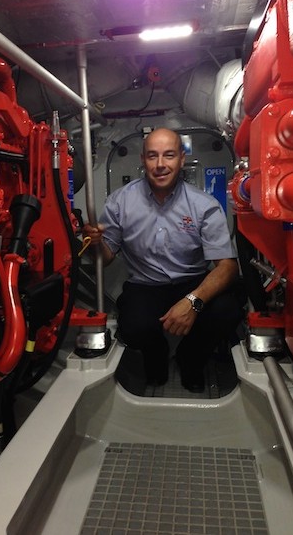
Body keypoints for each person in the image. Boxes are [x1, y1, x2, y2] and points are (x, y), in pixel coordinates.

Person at [83, 128, 243, 392]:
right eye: (152, 156)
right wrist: (94, 244)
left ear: (182, 159)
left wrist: (192, 301)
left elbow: (227, 267)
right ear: (143, 160)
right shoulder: (120, 202)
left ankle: (190, 358)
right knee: (133, 325)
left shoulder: (203, 205)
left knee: (228, 310)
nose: (160, 165)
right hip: (146, 285)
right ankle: (155, 356)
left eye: (169, 155)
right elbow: (106, 258)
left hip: (192, 283)